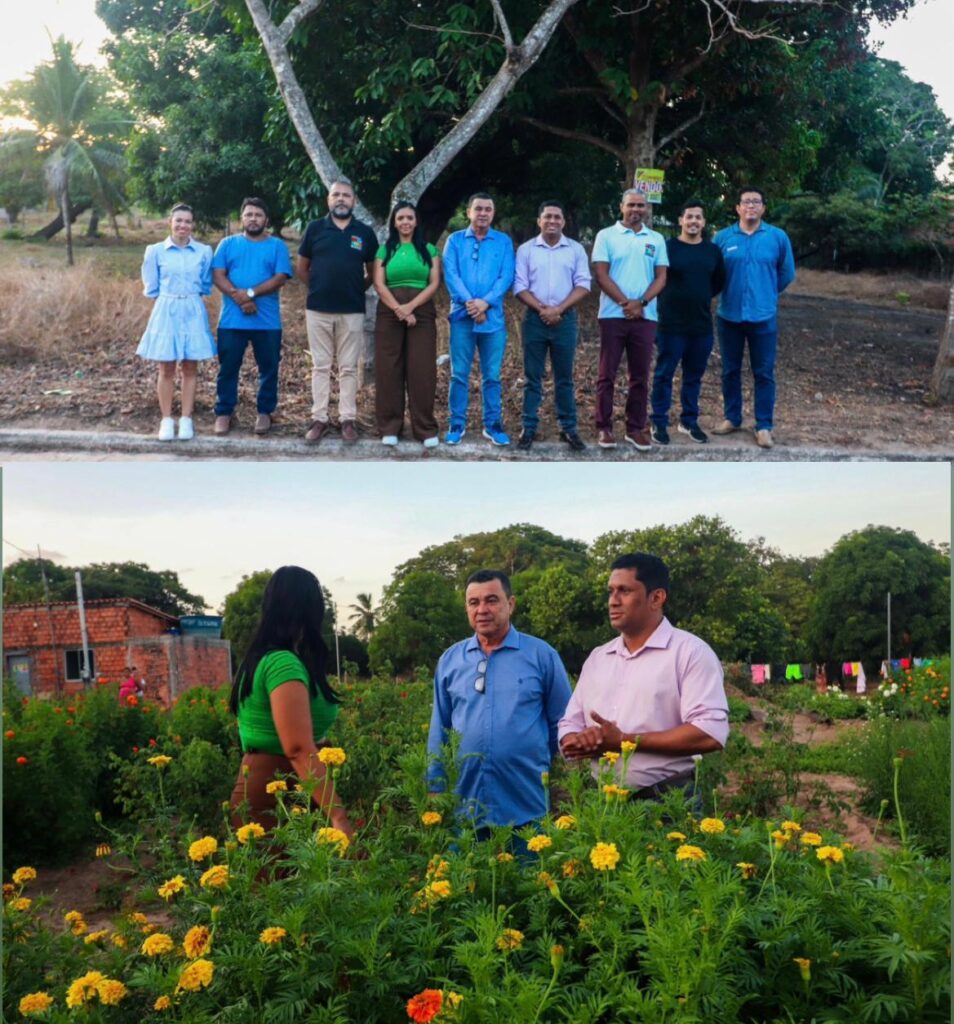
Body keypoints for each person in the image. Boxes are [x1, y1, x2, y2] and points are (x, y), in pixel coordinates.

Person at [558, 553, 729, 807]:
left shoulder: (689, 652)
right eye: (610, 591)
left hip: (667, 803)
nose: (613, 601)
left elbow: (709, 733)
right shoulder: (598, 658)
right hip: (601, 804)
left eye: (624, 591)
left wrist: (626, 741)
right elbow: (569, 723)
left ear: (656, 597)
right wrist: (576, 741)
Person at [427, 570, 572, 841]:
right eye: (474, 602)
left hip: (526, 805)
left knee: (528, 879)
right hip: (465, 807)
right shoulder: (450, 660)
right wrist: (435, 785)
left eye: (491, 600)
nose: (482, 609)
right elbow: (440, 729)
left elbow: (563, 724)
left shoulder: (542, 656)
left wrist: (535, 759)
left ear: (511, 604)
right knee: (464, 881)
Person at [227, 566, 356, 841]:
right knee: (282, 881)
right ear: (310, 608)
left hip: (287, 789)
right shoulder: (283, 664)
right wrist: (338, 815)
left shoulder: (260, 658)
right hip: (278, 793)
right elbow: (297, 748)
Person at [712, 187, 796, 449]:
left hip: (763, 317)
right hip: (730, 316)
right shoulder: (723, 238)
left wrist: (767, 293)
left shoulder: (777, 237)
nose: (751, 205)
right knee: (730, 370)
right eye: (746, 202)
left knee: (763, 373)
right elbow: (714, 273)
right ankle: (732, 417)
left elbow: (786, 273)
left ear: (763, 208)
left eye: (756, 202)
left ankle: (763, 426)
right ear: (737, 207)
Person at [297, 179, 378, 444]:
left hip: (352, 310)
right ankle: (319, 418)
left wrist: (355, 289)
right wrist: (320, 288)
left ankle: (347, 419)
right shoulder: (314, 229)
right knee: (320, 366)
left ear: (354, 201)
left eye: (346, 195)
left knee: (348, 368)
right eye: (336, 195)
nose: (341, 199)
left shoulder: (364, 233)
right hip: (318, 309)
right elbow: (302, 269)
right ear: (328, 200)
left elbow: (372, 273)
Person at [592, 189, 668, 451]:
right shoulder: (606, 236)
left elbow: (661, 277)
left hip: (645, 318)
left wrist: (642, 303)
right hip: (613, 316)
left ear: (647, 208)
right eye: (631, 205)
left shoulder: (656, 239)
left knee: (640, 376)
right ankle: (603, 427)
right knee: (607, 374)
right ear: (621, 206)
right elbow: (601, 275)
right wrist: (627, 304)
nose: (636, 209)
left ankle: (635, 428)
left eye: (641, 205)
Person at [513, 201, 592, 452]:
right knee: (532, 377)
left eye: (557, 217)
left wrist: (558, 310)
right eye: (547, 216)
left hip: (565, 320)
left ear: (563, 222)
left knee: (564, 378)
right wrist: (542, 309)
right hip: (534, 320)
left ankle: (568, 428)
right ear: (539, 221)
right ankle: (529, 427)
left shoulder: (575, 250)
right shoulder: (526, 250)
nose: (552, 221)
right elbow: (519, 286)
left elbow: (583, 284)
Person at [211, 197, 293, 436]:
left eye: (258, 215)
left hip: (266, 321)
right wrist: (240, 299)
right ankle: (224, 413)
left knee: (268, 368)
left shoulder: (277, 246)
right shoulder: (227, 244)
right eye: (248, 214)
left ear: (266, 220)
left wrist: (250, 293)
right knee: (228, 368)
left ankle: (264, 413)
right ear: (241, 219)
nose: (253, 219)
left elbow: (280, 278)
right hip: (231, 320)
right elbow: (218, 275)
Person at [442, 193, 516, 446]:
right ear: (469, 212)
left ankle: (493, 424)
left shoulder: (503, 242)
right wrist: (472, 304)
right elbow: (451, 275)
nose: (483, 213)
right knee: (459, 374)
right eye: (478, 209)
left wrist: (485, 302)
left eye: (488, 209)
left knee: (492, 375)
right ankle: (456, 422)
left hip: (492, 319)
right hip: (462, 317)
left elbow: (506, 277)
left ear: (493, 213)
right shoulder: (454, 241)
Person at [137, 203, 216, 441]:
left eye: (188, 221)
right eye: (178, 220)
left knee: (191, 367)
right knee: (166, 368)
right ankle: (166, 419)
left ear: (193, 225)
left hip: (192, 308)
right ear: (170, 223)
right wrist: (169, 302)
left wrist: (188, 299)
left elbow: (205, 284)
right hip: (166, 308)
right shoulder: (155, 251)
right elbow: (151, 286)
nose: (183, 225)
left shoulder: (204, 251)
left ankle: (186, 418)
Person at [650, 199, 726, 446]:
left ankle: (689, 421)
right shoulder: (667, 247)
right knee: (664, 374)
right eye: (689, 217)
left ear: (703, 223)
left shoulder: (712, 251)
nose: (693, 221)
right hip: (671, 324)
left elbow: (717, 282)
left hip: (701, 326)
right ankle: (659, 421)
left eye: (698, 217)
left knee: (693, 376)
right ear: (681, 220)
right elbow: (656, 279)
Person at [372, 201, 442, 448]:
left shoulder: (429, 250)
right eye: (400, 218)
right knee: (388, 368)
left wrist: (410, 308)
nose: (405, 222)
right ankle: (390, 426)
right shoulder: (384, 250)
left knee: (421, 369)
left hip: (421, 312)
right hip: (389, 311)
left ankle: (424, 429)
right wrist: (399, 310)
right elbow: (379, 284)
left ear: (416, 221)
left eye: (409, 218)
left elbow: (434, 283)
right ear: (394, 222)